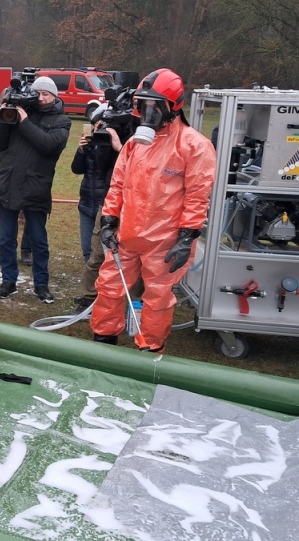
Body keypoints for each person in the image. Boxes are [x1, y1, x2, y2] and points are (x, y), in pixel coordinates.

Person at [90, 68, 216, 351]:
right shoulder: (135, 144)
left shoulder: (194, 145)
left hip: (166, 241)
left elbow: (198, 196)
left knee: (157, 298)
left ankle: (150, 346)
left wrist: (187, 238)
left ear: (173, 106)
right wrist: (109, 221)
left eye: (154, 106)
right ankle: (103, 339)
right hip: (127, 234)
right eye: (143, 105)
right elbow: (118, 185)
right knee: (109, 286)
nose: (148, 113)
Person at [0, 76, 71, 303]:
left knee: (38, 240)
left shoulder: (62, 121)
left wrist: (24, 122)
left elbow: (48, 146)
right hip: (9, 183)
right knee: (6, 239)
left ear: (55, 96)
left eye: (47, 94)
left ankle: (41, 285)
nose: (42, 97)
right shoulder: (19, 112)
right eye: (38, 93)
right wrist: (4, 117)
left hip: (36, 187)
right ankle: (8, 281)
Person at [70, 103, 131, 314]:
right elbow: (76, 169)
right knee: (89, 251)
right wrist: (82, 149)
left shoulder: (122, 148)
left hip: (107, 206)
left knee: (105, 254)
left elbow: (128, 171)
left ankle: (103, 295)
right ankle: (91, 295)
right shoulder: (92, 144)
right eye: (96, 124)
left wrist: (115, 146)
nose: (99, 127)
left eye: (102, 124)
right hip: (87, 203)